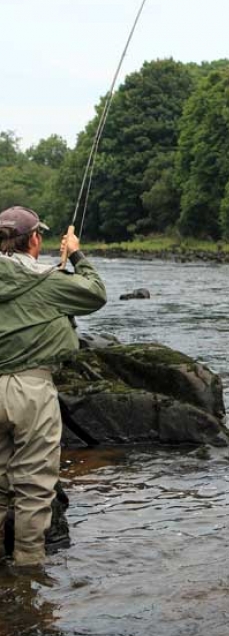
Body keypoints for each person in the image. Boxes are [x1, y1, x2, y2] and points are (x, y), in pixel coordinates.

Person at [0, 206, 107, 567]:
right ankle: (27, 573)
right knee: (32, 487)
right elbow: (95, 294)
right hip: (31, 390)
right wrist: (75, 254)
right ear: (34, 239)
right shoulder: (48, 282)